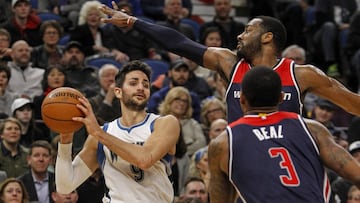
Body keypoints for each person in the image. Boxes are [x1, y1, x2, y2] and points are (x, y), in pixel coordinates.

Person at [99, 6, 360, 124]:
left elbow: (352, 103)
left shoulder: (301, 74)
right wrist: (134, 22)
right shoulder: (229, 62)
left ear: (267, 37)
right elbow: (179, 43)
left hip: (286, 160)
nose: (239, 35)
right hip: (242, 157)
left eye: (247, 30)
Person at [207, 66, 360, 202]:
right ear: (281, 98)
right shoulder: (311, 129)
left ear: (242, 99)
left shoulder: (223, 143)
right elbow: (356, 175)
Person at [55, 60, 180, 202]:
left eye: (145, 85)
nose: (141, 88)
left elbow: (145, 159)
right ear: (118, 92)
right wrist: (65, 141)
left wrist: (98, 133)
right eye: (133, 83)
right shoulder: (102, 134)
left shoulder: (165, 123)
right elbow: (65, 186)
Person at [158, 86, 206, 157]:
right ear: (169, 101)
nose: (181, 103)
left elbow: (202, 143)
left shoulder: (192, 124)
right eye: (177, 100)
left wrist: (181, 153)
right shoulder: (158, 121)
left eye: (185, 101)